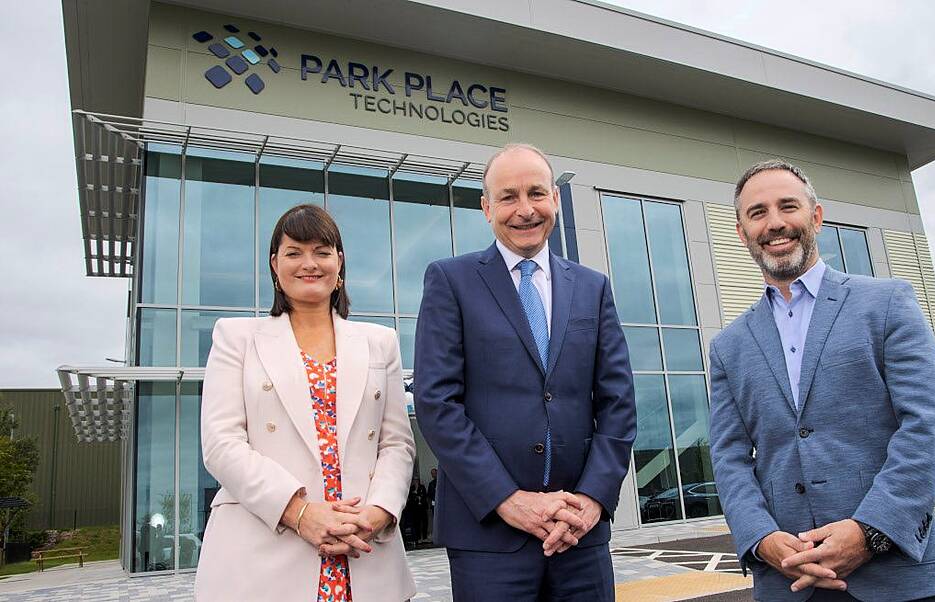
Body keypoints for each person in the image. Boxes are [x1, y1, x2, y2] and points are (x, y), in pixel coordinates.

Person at [708, 159, 935, 601]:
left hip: (898, 576)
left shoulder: (886, 304)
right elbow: (729, 456)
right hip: (788, 578)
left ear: (816, 217)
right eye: (758, 212)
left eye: (788, 206)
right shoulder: (729, 345)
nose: (775, 223)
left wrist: (871, 532)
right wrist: (761, 537)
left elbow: (928, 424)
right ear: (742, 232)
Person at [413, 143, 636, 601]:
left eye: (536, 193)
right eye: (509, 197)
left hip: (580, 535)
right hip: (489, 538)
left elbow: (618, 403)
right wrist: (509, 501)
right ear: (486, 207)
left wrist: (592, 501)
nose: (525, 210)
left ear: (555, 198)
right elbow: (437, 403)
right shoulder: (450, 280)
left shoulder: (593, 288)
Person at [195, 205, 416, 601]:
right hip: (262, 551)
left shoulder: (379, 342)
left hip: (362, 552)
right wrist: (300, 513)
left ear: (340, 263)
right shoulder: (236, 338)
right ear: (275, 265)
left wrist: (378, 513)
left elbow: (396, 443)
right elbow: (221, 444)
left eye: (322, 251)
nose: (309, 264)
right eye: (294, 252)